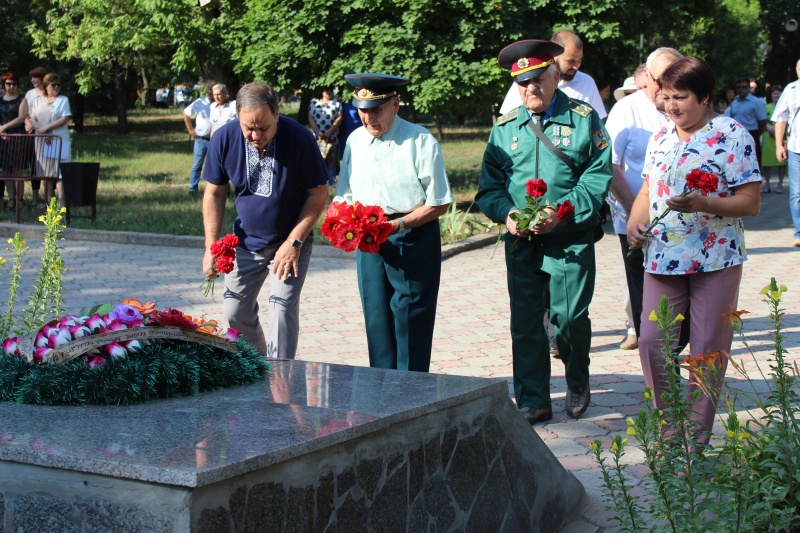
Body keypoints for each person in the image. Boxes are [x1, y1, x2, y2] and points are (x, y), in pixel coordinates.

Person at [626, 56, 761, 447]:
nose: (670, 106)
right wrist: (637, 221)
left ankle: (696, 437)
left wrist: (706, 203)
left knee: (706, 349)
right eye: (665, 97)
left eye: (680, 97)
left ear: (704, 97)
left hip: (715, 259)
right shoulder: (660, 137)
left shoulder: (731, 134)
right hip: (662, 256)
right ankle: (670, 427)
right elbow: (648, 191)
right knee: (652, 340)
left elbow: (750, 202)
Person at [476, 40, 612, 425]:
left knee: (569, 318)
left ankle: (578, 379)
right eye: (522, 83)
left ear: (554, 75)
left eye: (537, 79)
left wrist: (562, 212)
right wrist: (507, 215)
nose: (530, 89)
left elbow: (596, 176)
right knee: (525, 322)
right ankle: (534, 398)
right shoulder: (505, 128)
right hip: (521, 241)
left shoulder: (584, 119)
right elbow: (490, 188)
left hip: (569, 238)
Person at [336, 73, 453, 372]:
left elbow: (439, 202)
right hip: (368, 238)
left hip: (410, 234)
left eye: (376, 109)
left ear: (396, 103)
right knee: (376, 317)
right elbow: (345, 192)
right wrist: (341, 223)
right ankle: (383, 392)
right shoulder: (354, 141)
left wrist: (398, 226)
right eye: (363, 110)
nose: (369, 117)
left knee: (410, 317)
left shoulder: (420, 140)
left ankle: (412, 394)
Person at [202, 82, 328, 358]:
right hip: (247, 241)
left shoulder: (300, 139)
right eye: (248, 127)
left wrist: (294, 242)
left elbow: (318, 194)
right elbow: (214, 193)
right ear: (238, 117)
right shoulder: (224, 138)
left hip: (291, 241)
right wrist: (211, 245)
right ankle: (260, 366)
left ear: (277, 115)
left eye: (263, 128)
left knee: (281, 308)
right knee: (234, 311)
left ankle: (282, 383)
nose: (255, 135)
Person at [605, 47, 683, 351]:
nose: (666, 85)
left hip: (681, 221)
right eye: (660, 79)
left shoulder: (686, 107)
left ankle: (671, 348)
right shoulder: (627, 110)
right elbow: (608, 165)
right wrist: (632, 210)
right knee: (642, 288)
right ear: (645, 78)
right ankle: (654, 361)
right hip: (635, 220)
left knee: (677, 289)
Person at [498, 30, 608, 121]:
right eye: (570, 61)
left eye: (579, 60)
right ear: (555, 57)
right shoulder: (525, 83)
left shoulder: (586, 82)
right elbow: (508, 122)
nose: (576, 66)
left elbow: (597, 120)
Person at [28, 73, 71, 205]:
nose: (57, 87)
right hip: (42, 140)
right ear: (46, 86)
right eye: (54, 85)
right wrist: (40, 130)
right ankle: (48, 202)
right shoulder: (38, 101)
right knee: (47, 172)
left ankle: (61, 200)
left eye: (59, 85)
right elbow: (32, 118)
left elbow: (65, 118)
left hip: (59, 139)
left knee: (60, 171)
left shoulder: (63, 100)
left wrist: (46, 128)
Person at [773, 58, 800, 247]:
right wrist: (779, 145)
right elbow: (781, 118)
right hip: (796, 147)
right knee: (797, 192)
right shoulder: (791, 90)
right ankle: (799, 232)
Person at [0, 71, 29, 209]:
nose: (11, 86)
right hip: (3, 138)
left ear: (18, 85)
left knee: (17, 171)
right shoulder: (0, 100)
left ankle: (20, 199)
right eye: (8, 84)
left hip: (17, 137)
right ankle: (11, 198)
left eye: (14, 84)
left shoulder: (22, 99)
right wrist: (2, 131)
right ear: (4, 84)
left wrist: (4, 127)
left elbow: (21, 118)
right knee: (6, 170)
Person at [725, 77, 767, 166]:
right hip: (736, 135)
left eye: (743, 87)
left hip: (752, 133)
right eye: (738, 87)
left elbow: (762, 121)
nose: (741, 89)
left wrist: (757, 133)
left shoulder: (756, 102)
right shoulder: (734, 102)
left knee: (753, 163)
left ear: (748, 88)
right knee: (737, 163)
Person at [184, 80, 215, 193]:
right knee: (197, 165)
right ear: (208, 91)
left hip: (215, 141)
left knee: (215, 166)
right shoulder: (200, 103)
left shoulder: (219, 104)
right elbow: (186, 113)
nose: (214, 94)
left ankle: (213, 190)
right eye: (212, 91)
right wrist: (191, 129)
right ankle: (193, 188)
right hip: (201, 140)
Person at [308, 88, 343, 186]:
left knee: (331, 163)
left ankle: (331, 185)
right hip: (317, 139)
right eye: (326, 90)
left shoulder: (337, 104)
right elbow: (310, 118)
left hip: (331, 139)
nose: (329, 92)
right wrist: (318, 132)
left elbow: (339, 118)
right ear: (322, 91)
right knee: (317, 163)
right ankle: (317, 185)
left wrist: (328, 133)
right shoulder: (314, 104)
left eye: (330, 90)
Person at [24, 66, 47, 208]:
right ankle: (34, 197)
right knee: (34, 164)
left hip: (45, 132)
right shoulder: (30, 94)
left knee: (47, 165)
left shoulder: (48, 93)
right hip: (32, 133)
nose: (32, 80)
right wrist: (28, 124)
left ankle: (48, 197)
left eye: (35, 77)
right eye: (31, 77)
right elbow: (24, 113)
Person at [762, 85, 786, 193]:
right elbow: (763, 119)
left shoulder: (785, 106)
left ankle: (780, 185)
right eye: (774, 93)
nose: (776, 95)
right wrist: (769, 127)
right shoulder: (766, 106)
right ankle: (767, 185)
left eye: (778, 93)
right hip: (768, 135)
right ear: (771, 95)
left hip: (781, 136)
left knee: (782, 162)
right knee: (767, 163)